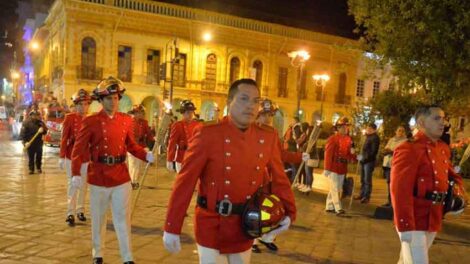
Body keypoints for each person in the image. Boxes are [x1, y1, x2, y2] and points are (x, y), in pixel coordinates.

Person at [162, 79, 296, 263]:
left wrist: (289, 211)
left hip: (245, 225)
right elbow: (185, 182)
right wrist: (172, 226)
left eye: (255, 101)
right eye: (243, 99)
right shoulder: (208, 133)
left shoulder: (267, 136)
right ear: (229, 102)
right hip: (212, 224)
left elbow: (279, 177)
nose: (250, 106)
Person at [71, 77, 154, 264]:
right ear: (101, 100)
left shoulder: (126, 120)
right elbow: (78, 148)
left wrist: (145, 154)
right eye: (109, 98)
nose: (113, 101)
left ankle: (127, 257)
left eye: (116, 97)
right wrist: (76, 172)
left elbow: (131, 146)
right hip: (98, 176)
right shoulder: (91, 121)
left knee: (122, 219)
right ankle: (97, 253)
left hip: (120, 176)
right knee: (99, 219)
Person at [391, 105, 466, 263]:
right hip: (415, 218)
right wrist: (404, 224)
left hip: (433, 216)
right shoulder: (408, 149)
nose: (442, 123)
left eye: (443, 118)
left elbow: (452, 174)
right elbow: (400, 190)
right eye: (437, 118)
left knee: (406, 260)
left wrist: (459, 192)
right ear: (421, 122)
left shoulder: (443, 149)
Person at [252, 98, 307, 254]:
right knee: (255, 209)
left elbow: (280, 154)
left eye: (270, 114)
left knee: (283, 212)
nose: (268, 118)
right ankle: (252, 240)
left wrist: (299, 156)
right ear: (257, 115)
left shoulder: (273, 133)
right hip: (253, 178)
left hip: (271, 179)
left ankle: (268, 237)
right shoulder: (249, 130)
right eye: (264, 114)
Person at [59, 89, 92, 226]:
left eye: (85, 104)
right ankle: (70, 212)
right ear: (76, 104)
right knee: (72, 184)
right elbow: (64, 137)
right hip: (71, 155)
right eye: (80, 104)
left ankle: (80, 210)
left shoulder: (91, 119)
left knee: (83, 185)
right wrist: (61, 156)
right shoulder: (70, 118)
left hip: (85, 157)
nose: (83, 107)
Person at [323, 117, 356, 215]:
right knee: (334, 188)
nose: (346, 129)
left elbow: (349, 154)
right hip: (333, 166)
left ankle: (329, 206)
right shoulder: (332, 139)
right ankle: (338, 208)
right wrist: (327, 168)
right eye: (344, 127)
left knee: (337, 188)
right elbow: (328, 154)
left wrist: (355, 156)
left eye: (347, 127)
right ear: (338, 128)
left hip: (342, 166)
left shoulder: (348, 139)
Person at [166, 99, 201, 173]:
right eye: (188, 112)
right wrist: (169, 159)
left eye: (192, 112)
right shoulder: (177, 125)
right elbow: (172, 143)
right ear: (183, 113)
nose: (190, 114)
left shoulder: (197, 125)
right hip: (181, 157)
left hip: (193, 157)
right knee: (181, 181)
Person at [128, 104, 155, 189]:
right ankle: (132, 181)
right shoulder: (129, 122)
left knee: (139, 166)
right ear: (134, 113)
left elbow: (149, 134)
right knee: (133, 165)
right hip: (131, 147)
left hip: (141, 146)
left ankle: (135, 180)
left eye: (141, 113)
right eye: (138, 112)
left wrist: (154, 139)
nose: (140, 114)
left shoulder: (144, 122)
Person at [381, 125, 407, 207]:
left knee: (395, 184)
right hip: (388, 164)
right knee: (389, 183)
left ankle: (395, 202)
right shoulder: (392, 139)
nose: (400, 132)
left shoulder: (405, 141)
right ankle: (389, 201)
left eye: (402, 131)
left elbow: (402, 152)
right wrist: (386, 150)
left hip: (397, 165)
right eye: (399, 130)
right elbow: (386, 148)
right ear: (396, 132)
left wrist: (392, 151)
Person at [354, 123, 380, 204]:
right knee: (362, 179)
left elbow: (373, 152)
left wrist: (364, 158)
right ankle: (362, 194)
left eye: (369, 129)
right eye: (367, 128)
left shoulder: (375, 138)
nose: (367, 130)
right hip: (363, 160)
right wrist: (359, 156)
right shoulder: (367, 137)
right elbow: (363, 149)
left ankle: (366, 197)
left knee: (367, 180)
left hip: (369, 162)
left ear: (374, 129)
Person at [20, 110, 47, 174]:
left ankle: (38, 168)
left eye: (37, 115)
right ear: (31, 115)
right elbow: (22, 134)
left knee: (39, 157)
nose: (36, 116)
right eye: (34, 115)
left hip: (39, 143)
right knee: (31, 157)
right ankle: (31, 169)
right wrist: (25, 142)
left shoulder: (41, 123)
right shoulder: (26, 123)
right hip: (30, 143)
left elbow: (45, 132)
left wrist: (43, 130)